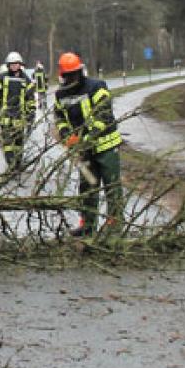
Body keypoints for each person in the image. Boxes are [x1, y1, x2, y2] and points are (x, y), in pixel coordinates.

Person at [53, 52, 125, 236]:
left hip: (106, 147)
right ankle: (87, 225)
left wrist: (86, 139)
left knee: (111, 187)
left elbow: (104, 116)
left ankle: (114, 227)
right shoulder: (61, 94)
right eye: (67, 75)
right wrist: (65, 134)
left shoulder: (96, 87)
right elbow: (60, 117)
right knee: (87, 189)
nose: (71, 78)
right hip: (84, 151)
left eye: (73, 74)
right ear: (62, 75)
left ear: (79, 71)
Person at [0, 51, 36, 175]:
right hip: (5, 116)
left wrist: (31, 113)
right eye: (12, 64)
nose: (14, 66)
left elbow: (30, 98)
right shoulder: (2, 77)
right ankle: (11, 164)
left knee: (18, 143)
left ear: (20, 64)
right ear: (8, 65)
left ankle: (17, 164)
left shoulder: (25, 79)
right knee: (7, 143)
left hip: (20, 116)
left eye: (16, 64)